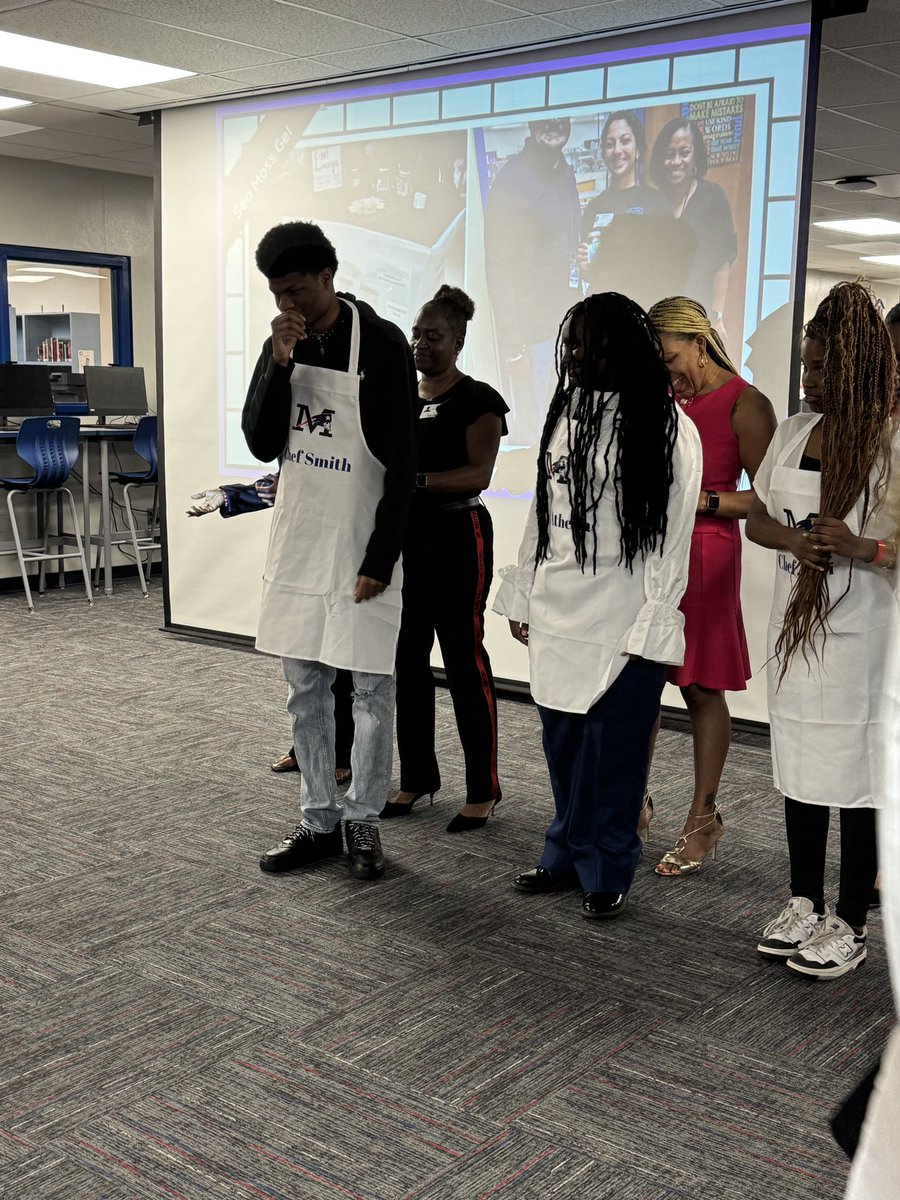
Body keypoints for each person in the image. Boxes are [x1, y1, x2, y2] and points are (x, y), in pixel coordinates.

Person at [495, 292, 701, 919]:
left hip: (622, 616)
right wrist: (525, 591)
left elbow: (672, 537)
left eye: (594, 346)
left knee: (614, 756)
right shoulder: (566, 413)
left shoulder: (668, 429)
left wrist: (654, 620)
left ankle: (609, 866)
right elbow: (542, 513)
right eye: (574, 345)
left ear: (628, 351)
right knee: (562, 745)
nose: (579, 357)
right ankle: (564, 852)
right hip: (558, 609)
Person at [242, 220, 416, 881]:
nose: (288, 305)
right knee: (305, 690)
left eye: (297, 292)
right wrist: (278, 363)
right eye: (277, 295)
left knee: (371, 689)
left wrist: (381, 557)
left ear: (327, 277)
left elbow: (402, 463)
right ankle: (317, 818)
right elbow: (262, 442)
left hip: (360, 544)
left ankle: (362, 819)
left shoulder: (384, 344)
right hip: (300, 540)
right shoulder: (281, 345)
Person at [747, 280, 896, 978]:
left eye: (820, 367)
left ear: (856, 367)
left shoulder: (892, 443)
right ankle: (804, 900)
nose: (807, 379)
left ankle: (851, 920)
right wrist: (792, 540)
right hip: (796, 633)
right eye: (806, 365)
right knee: (802, 767)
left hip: (863, 637)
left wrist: (863, 547)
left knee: (858, 779)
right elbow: (758, 517)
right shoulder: (793, 433)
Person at [646, 296, 777, 875]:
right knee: (639, 680)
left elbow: (771, 499)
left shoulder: (747, 404)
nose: (667, 372)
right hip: (651, 551)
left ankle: (703, 817)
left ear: (699, 344)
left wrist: (703, 500)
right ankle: (633, 800)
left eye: (670, 358)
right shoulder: (660, 396)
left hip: (706, 551)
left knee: (700, 688)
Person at [380, 285, 507, 832]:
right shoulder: (400, 398)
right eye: (416, 335)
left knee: (463, 660)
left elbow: (479, 474)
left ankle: (483, 788)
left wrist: (414, 482)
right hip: (406, 539)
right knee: (407, 660)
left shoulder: (479, 400)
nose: (420, 345)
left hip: (459, 535)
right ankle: (417, 778)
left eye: (433, 336)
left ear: (457, 342)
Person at [187, 474, 356, 783]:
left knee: (339, 663)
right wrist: (228, 496)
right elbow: (287, 482)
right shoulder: (301, 446)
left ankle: (342, 752)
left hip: (346, 553)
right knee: (303, 663)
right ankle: (304, 748)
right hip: (301, 557)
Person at [483, 116, 582, 446]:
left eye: (560, 119)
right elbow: (498, 266)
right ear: (531, 123)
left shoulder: (564, 171)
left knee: (565, 434)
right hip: (532, 339)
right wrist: (514, 347)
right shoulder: (510, 180)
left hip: (566, 330)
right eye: (546, 119)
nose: (553, 125)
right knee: (541, 439)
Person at [649, 118, 737, 333]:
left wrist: (716, 315)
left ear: (695, 155)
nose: (676, 161)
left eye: (684, 153)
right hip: (656, 318)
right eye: (669, 154)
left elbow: (723, 260)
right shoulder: (651, 202)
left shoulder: (713, 197)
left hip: (697, 318)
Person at [577, 110, 672, 298]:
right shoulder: (594, 208)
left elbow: (669, 267)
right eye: (610, 144)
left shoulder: (657, 204)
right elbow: (591, 273)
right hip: (605, 309)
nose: (617, 150)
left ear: (638, 150)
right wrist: (585, 267)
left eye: (625, 141)